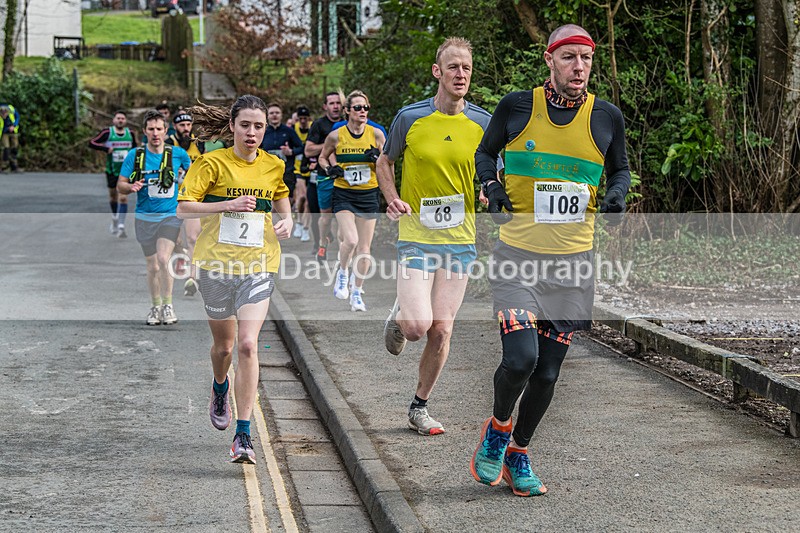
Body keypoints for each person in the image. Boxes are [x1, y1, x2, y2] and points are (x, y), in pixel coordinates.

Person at [470, 24, 630, 497]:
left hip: (572, 265)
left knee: (547, 372)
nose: (578, 67)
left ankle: (519, 452)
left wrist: (618, 195)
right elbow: (485, 152)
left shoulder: (606, 116)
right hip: (517, 258)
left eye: (585, 58)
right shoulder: (518, 107)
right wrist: (493, 187)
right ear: (549, 60)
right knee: (520, 359)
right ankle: (498, 428)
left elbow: (619, 168)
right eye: (568, 58)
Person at [377, 37, 498, 436]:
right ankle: (401, 314)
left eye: (466, 67)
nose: (460, 74)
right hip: (416, 234)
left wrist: (487, 188)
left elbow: (493, 170)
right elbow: (384, 161)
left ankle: (419, 405)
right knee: (416, 328)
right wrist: (392, 199)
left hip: (460, 239)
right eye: (453, 67)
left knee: (441, 329)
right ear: (437, 72)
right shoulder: (410, 118)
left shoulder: (482, 123)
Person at [177, 95, 292, 464]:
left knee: (247, 345)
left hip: (260, 264)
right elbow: (183, 207)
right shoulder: (210, 164)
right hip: (216, 265)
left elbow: (282, 197)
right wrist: (225, 204)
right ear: (232, 126)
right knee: (224, 349)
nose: (252, 133)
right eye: (245, 125)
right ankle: (219, 386)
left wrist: (288, 219)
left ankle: (243, 436)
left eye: (259, 126)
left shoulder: (274, 166)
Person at [117, 110, 192, 326]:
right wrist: (131, 187)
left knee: (162, 258)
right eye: (151, 129)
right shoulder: (135, 156)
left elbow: (196, 178)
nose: (155, 133)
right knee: (152, 266)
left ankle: (168, 305)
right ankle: (155, 305)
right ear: (144, 132)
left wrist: (186, 184)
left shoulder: (178, 154)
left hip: (170, 216)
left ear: (166, 131)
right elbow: (120, 185)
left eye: (159, 129)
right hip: (144, 217)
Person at [319, 90, 385, 312]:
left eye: (366, 108)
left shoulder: (376, 135)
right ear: (347, 111)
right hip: (344, 193)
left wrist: (377, 159)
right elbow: (321, 156)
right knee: (351, 240)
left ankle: (357, 292)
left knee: (365, 249)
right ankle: (343, 272)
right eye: (357, 108)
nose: (363, 111)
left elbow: (386, 163)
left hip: (368, 195)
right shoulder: (336, 135)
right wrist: (330, 168)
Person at [166, 112, 205, 296]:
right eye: (182, 125)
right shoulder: (168, 144)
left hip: (191, 197)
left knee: (192, 238)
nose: (186, 128)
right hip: (169, 197)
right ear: (175, 126)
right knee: (175, 239)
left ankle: (192, 277)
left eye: (189, 125)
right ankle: (179, 251)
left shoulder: (199, 143)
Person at [304, 92, 343, 262]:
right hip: (323, 175)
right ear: (325, 106)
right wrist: (328, 145)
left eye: (338, 103)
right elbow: (308, 150)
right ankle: (320, 244)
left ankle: (347, 249)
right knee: (322, 216)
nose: (335, 106)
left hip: (344, 176)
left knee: (345, 214)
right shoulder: (319, 125)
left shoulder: (348, 124)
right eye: (331, 103)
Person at [88, 110, 137, 237]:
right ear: (114, 120)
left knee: (123, 197)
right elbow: (92, 143)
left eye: (123, 118)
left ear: (125, 121)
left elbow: (136, 150)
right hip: (112, 170)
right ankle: (115, 218)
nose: (120, 120)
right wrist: (106, 149)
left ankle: (121, 225)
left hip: (126, 172)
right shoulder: (107, 132)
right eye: (118, 118)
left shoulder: (130, 133)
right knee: (113, 197)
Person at [260, 103, 304, 198]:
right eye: (272, 113)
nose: (274, 115)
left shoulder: (289, 131)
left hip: (286, 172)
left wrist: (291, 151)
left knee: (287, 200)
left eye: (277, 113)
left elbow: (302, 147)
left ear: (281, 115)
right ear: (267, 116)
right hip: (267, 172)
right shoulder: (263, 131)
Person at [292, 106, 313, 242]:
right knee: (301, 198)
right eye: (301, 119)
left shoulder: (313, 128)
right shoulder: (294, 130)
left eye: (305, 118)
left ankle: (305, 228)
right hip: (298, 168)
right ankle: (299, 222)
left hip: (311, 168)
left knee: (309, 202)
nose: (303, 121)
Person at [0, 104, 21, 173]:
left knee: (14, 148)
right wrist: (6, 128)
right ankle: (4, 167)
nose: (4, 116)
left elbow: (17, 117)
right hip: (4, 132)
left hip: (13, 131)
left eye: (5, 114)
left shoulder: (12, 110)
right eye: (2, 114)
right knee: (6, 148)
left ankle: (14, 166)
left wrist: (14, 125)